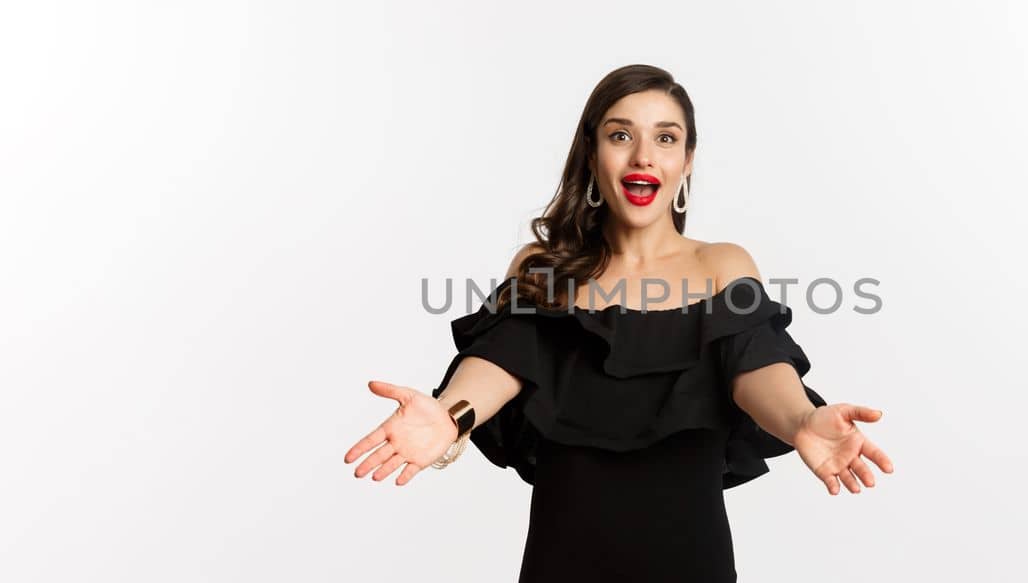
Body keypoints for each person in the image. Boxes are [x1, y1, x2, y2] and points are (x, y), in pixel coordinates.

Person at [343, 64, 894, 582]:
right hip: (564, 559)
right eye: (621, 135)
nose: (644, 158)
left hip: (689, 558)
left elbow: (757, 366)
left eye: (666, 138)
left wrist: (801, 420)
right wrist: (449, 416)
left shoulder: (722, 264)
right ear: (591, 153)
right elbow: (500, 361)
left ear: (688, 160)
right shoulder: (544, 268)